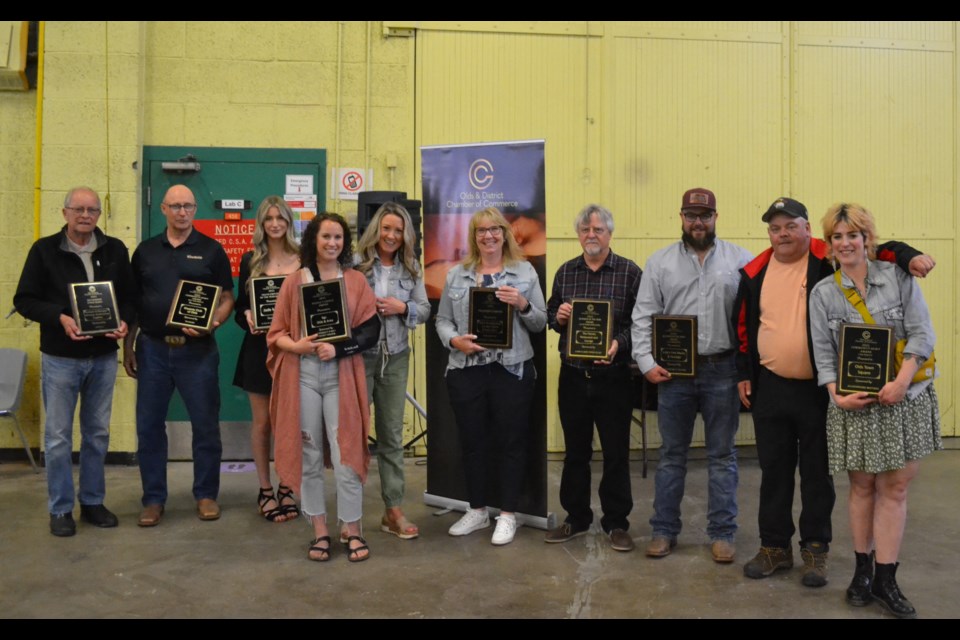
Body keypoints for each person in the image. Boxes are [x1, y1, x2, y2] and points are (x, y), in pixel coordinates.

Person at [734, 197, 934, 588]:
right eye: (775, 228)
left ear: (808, 229)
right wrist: (744, 373)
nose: (783, 234)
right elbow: (742, 323)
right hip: (771, 385)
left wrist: (910, 256)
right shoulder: (755, 270)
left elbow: (879, 248)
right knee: (773, 471)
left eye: (791, 225)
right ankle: (774, 547)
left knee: (816, 474)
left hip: (816, 389)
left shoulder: (826, 259)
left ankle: (815, 550)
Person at [809, 203, 941, 619]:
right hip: (854, 406)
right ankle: (862, 572)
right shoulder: (822, 293)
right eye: (837, 236)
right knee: (862, 487)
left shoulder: (898, 277)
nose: (845, 243)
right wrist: (835, 394)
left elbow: (922, 331)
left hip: (905, 399)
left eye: (853, 235)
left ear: (867, 239)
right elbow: (824, 355)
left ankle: (887, 577)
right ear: (829, 245)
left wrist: (902, 381)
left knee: (895, 489)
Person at [631, 187, 752, 563]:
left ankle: (722, 533)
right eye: (691, 215)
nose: (698, 222)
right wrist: (647, 362)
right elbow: (642, 317)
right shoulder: (660, 262)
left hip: (722, 369)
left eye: (705, 215)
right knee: (671, 456)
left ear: (717, 217)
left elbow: (755, 318)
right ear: (680, 218)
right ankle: (664, 531)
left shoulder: (741, 261)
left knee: (722, 455)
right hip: (674, 375)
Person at [14, 187, 135, 537]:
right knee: (57, 437)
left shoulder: (115, 250)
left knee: (97, 434)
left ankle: (93, 502)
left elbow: (129, 298)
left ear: (99, 214)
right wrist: (60, 318)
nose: (85, 215)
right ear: (65, 212)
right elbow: (24, 299)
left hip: (102, 358)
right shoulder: (44, 251)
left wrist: (124, 322)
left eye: (92, 210)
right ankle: (61, 508)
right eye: (78, 209)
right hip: (60, 359)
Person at [266, 213, 380, 562]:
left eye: (339, 238)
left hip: (341, 374)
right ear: (313, 239)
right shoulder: (293, 282)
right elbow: (277, 335)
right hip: (303, 375)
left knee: (346, 451)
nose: (332, 244)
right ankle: (320, 531)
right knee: (309, 453)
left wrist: (340, 347)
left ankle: (353, 528)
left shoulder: (356, 282)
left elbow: (370, 331)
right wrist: (297, 347)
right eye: (326, 237)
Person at [123, 185, 235, 527]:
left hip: (198, 352)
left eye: (187, 206)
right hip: (153, 349)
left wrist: (213, 322)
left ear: (195, 208)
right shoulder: (144, 251)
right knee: (149, 427)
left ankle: (205, 495)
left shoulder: (212, 250)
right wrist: (128, 345)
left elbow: (228, 297)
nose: (181, 212)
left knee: (205, 426)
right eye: (175, 206)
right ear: (163, 209)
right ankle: (153, 500)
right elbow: (134, 304)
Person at [435, 207, 547, 546]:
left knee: (511, 443)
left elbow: (541, 321)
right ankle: (478, 509)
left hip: (512, 370)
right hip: (467, 371)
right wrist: (455, 340)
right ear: (474, 237)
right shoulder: (456, 275)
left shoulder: (524, 272)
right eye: (481, 231)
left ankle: (508, 515)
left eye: (495, 230)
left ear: (505, 233)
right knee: (473, 443)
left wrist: (524, 304)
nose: (489, 236)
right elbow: (442, 321)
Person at [544, 204, 642, 552]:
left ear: (610, 234)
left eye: (598, 230)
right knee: (575, 453)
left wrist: (618, 344)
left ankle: (616, 522)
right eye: (585, 230)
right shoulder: (565, 272)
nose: (591, 235)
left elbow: (639, 322)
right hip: (573, 376)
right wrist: (560, 315)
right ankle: (577, 517)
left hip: (613, 377)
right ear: (578, 234)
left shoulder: (630, 273)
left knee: (616, 453)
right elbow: (549, 315)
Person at [354, 202, 430, 540]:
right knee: (353, 435)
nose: (391, 235)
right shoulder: (354, 266)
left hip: (396, 356)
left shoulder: (412, 267)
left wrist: (404, 308)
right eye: (386, 228)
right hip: (358, 357)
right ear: (375, 230)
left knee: (392, 437)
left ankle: (393, 509)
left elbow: (425, 309)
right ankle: (350, 511)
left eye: (398, 230)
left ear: (406, 235)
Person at [233, 196, 301, 523]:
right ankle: (264, 488)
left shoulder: (304, 260)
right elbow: (237, 307)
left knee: (290, 424)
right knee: (262, 425)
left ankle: (287, 486)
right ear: (261, 224)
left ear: (289, 222)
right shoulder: (250, 261)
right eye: (269, 219)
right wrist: (246, 313)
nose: (275, 224)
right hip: (258, 351)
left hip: (293, 352)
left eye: (281, 218)